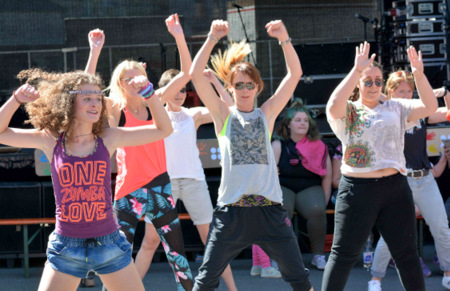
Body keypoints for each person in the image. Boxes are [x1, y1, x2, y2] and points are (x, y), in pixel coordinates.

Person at [0, 69, 173, 291]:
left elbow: (164, 129)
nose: (95, 104)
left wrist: (149, 93)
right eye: (87, 98)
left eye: (98, 99)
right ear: (70, 102)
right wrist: (16, 100)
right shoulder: (51, 139)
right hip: (67, 247)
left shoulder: (109, 137)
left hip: (109, 243)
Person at [189, 19, 313, 291]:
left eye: (249, 85)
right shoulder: (224, 115)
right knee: (206, 281)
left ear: (257, 88)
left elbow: (294, 75)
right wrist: (211, 38)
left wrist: (284, 38)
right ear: (230, 88)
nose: (244, 90)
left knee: (300, 280)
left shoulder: (266, 114)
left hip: (269, 212)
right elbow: (195, 75)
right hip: (231, 213)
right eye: (239, 85)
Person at [85, 14, 194, 290]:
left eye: (138, 76)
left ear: (145, 78)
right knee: (117, 256)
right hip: (128, 192)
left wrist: (179, 35)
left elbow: (186, 74)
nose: (134, 81)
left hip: (160, 187)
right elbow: (85, 88)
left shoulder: (155, 101)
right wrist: (95, 50)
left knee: (177, 253)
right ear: (120, 83)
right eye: (128, 78)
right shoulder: (113, 108)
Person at [322, 42, 438, 291]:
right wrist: (355, 71)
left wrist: (418, 74)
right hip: (357, 190)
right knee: (343, 255)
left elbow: (430, 107)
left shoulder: (396, 107)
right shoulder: (349, 111)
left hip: (395, 188)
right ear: (359, 85)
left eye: (377, 81)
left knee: (407, 255)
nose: (373, 85)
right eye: (368, 81)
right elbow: (331, 107)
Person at [147, 67, 238, 290]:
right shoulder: (153, 115)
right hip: (163, 184)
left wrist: (214, 81)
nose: (179, 94)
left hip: (194, 182)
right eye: (175, 89)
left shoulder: (193, 114)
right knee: (150, 241)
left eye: (183, 90)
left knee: (211, 240)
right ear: (165, 90)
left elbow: (230, 109)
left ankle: (234, 288)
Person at [367, 72, 450, 291]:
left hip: (425, 179)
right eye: (401, 90)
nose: (406, 94)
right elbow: (381, 99)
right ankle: (375, 279)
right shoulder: (386, 111)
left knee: (441, 228)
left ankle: (448, 274)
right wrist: (428, 94)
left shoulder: (422, 113)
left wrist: (447, 93)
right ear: (391, 91)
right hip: (400, 181)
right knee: (392, 233)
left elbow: (449, 113)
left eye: (409, 90)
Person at [272, 98, 332, 270]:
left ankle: (318, 256)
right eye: (298, 120)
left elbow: (327, 176)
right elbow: (270, 176)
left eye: (305, 120)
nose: (302, 123)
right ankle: (281, 258)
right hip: (284, 187)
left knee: (317, 209)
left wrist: (324, 200)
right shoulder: (278, 145)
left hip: (309, 187)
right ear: (289, 124)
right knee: (283, 210)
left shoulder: (319, 146)